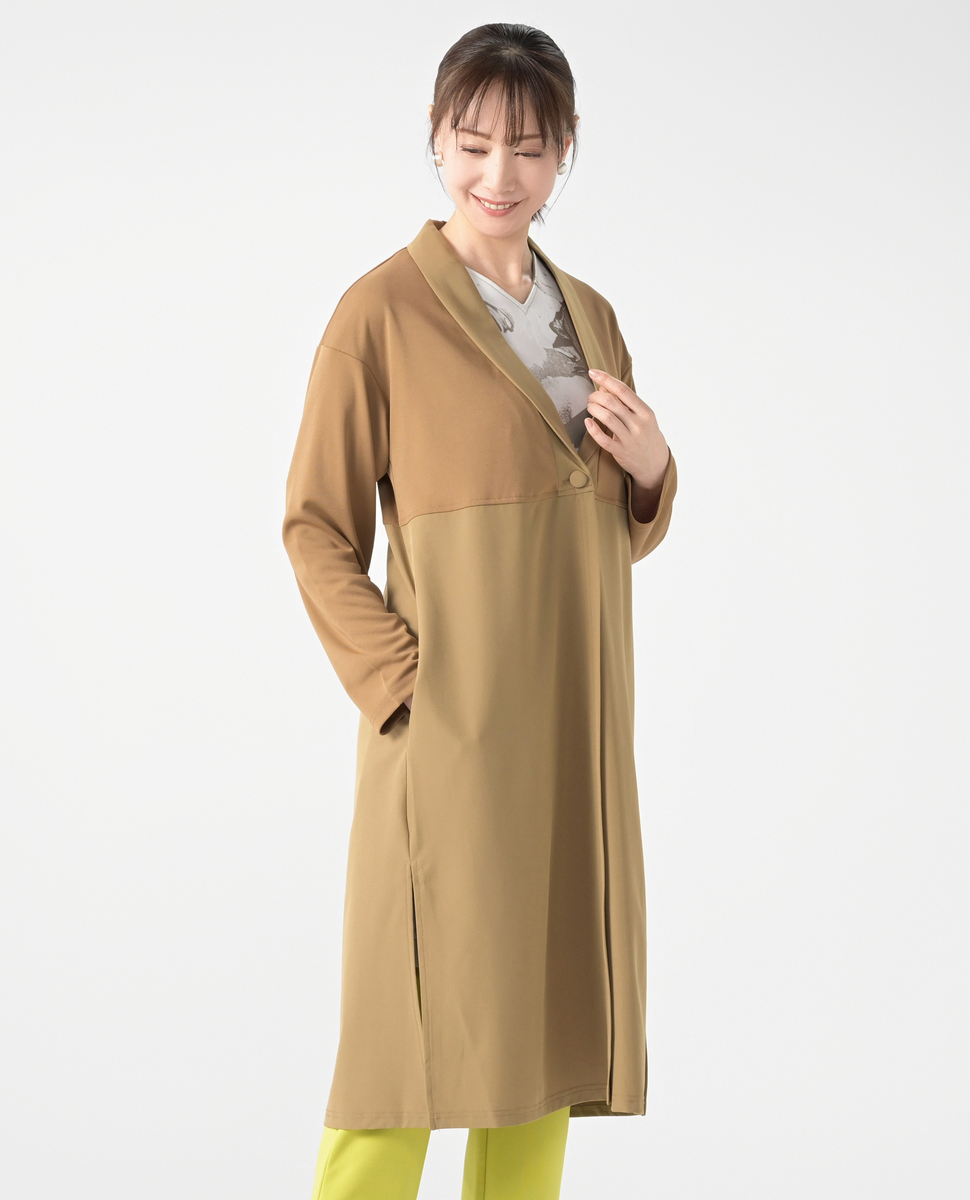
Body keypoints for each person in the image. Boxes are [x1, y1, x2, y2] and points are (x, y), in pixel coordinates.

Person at [282, 23, 677, 1200]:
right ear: (436, 140)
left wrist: (653, 470)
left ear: (565, 152)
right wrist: (407, 686)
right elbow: (314, 525)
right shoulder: (381, 315)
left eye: (529, 148)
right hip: (448, 742)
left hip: (570, 737)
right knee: (398, 1062)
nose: (499, 176)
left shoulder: (590, 317)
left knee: (539, 1049)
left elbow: (605, 529)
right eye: (473, 144)